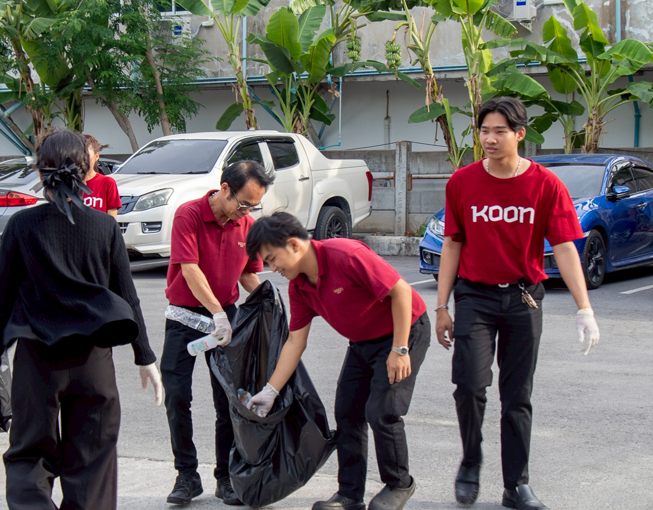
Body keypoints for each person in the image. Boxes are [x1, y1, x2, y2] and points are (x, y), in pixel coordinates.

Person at [0, 130, 163, 510]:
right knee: (92, 460)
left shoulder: (21, 226)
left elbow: (1, 299)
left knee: (30, 455)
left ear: (39, 171)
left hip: (37, 359)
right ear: (86, 167)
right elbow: (127, 297)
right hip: (93, 361)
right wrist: (144, 356)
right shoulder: (105, 227)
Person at [435, 97, 600, 510]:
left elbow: (564, 247)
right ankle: (471, 459)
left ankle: (516, 485)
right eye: (484, 131)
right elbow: (452, 244)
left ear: (520, 134)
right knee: (469, 384)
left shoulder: (545, 185)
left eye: (499, 131)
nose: (489, 139)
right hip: (474, 295)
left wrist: (584, 308)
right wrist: (441, 306)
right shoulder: (462, 182)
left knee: (517, 395)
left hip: (524, 297)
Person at [245, 211, 431, 510]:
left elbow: (400, 292)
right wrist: (270, 391)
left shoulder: (346, 255)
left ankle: (399, 483)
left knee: (382, 411)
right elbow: (295, 341)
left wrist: (399, 350)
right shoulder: (299, 286)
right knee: (347, 413)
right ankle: (349, 495)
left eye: (272, 259)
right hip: (361, 343)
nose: (273, 268)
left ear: (293, 244)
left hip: (404, 331)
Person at [161, 160, 274, 506]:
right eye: (243, 203)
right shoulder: (189, 215)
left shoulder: (246, 225)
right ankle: (186, 474)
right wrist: (216, 314)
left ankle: (225, 476)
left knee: (228, 399)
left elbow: (248, 274)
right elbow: (190, 269)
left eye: (253, 206)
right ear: (225, 188)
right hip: (185, 318)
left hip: (226, 319)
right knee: (177, 396)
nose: (246, 211)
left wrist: (268, 301)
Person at [82, 133, 121, 217]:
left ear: (96, 156)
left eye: (87, 154)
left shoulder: (108, 183)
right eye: (79, 154)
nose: (83, 158)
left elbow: (111, 219)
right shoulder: (69, 183)